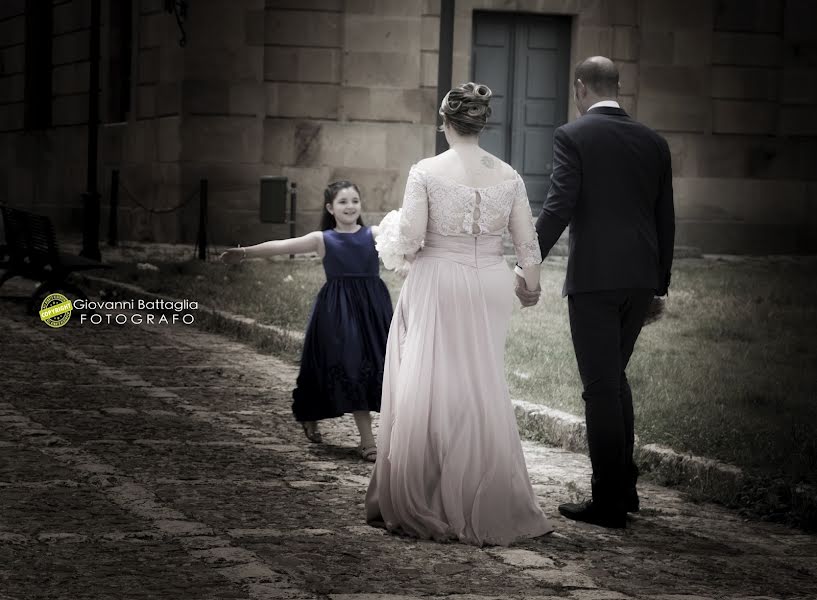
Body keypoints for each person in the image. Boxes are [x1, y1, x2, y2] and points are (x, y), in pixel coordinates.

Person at [365, 82, 553, 546]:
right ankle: (479, 491)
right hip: (490, 280)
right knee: (480, 380)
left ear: (444, 122)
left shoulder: (426, 171)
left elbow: (409, 238)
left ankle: (426, 491)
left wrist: (390, 233)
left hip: (438, 279)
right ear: (482, 123)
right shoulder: (508, 175)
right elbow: (528, 247)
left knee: (428, 380)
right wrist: (530, 287)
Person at [517, 56, 675, 528]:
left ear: (579, 88)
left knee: (601, 386)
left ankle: (608, 501)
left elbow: (559, 204)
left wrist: (530, 262)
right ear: (617, 87)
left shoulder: (573, 135)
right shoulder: (654, 141)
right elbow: (666, 218)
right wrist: (659, 286)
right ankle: (623, 489)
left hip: (595, 280)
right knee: (614, 378)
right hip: (640, 278)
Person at [220, 181, 393, 462]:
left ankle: (312, 414)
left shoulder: (374, 234)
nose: (350, 206)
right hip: (338, 313)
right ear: (330, 208)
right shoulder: (322, 239)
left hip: (374, 310)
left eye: (354, 201)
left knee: (377, 367)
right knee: (351, 366)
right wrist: (245, 252)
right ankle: (367, 441)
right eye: (342, 202)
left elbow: (409, 241)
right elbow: (281, 246)